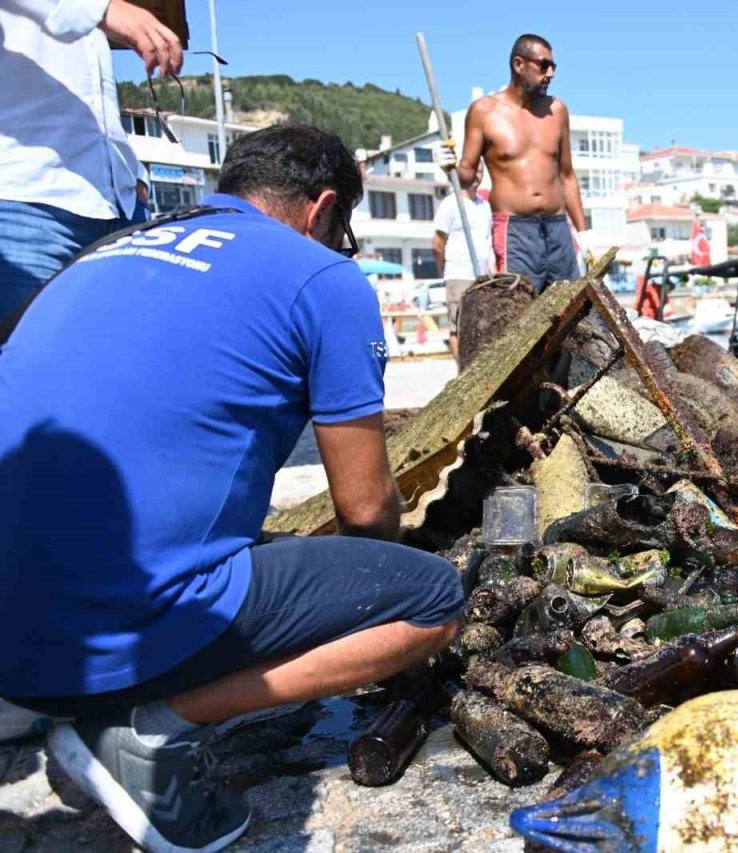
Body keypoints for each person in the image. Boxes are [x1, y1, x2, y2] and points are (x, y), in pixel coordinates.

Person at [0, 125, 464, 851]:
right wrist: (371, 591)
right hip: (98, 637)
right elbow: (366, 509)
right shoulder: (321, 276)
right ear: (323, 210)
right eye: (340, 234)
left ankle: (33, 696)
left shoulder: (99, 253)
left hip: (11, 636)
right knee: (432, 597)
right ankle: (142, 733)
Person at [0, 0, 186, 326]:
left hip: (120, 207)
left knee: (118, 365)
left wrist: (130, 174)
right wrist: (103, 8)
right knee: (31, 369)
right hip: (24, 204)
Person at [438, 33, 587, 293]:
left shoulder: (557, 110)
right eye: (543, 65)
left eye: (554, 67)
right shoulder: (484, 111)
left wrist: (585, 235)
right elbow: (466, 175)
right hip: (515, 231)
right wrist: (448, 166)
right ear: (519, 65)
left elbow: (567, 176)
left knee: (573, 312)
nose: (550, 73)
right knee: (521, 315)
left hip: (558, 227)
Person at [433, 159, 494, 358]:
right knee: (458, 328)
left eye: (481, 171)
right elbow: (437, 243)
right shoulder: (451, 204)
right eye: (474, 170)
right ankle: (462, 373)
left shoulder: (485, 207)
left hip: (483, 277)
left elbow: (488, 242)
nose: (477, 175)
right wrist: (443, 269)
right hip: (458, 273)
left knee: (482, 328)